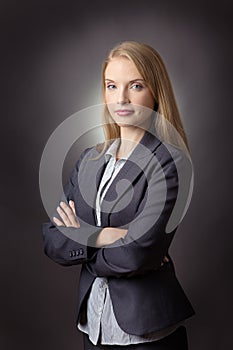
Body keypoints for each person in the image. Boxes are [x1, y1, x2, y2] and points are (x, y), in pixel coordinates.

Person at [42, 41, 195, 350]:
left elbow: (138, 253)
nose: (121, 98)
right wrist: (102, 236)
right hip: (93, 327)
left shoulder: (170, 162)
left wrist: (82, 237)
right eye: (112, 86)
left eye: (135, 86)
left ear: (155, 94)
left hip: (147, 334)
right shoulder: (89, 160)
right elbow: (52, 239)